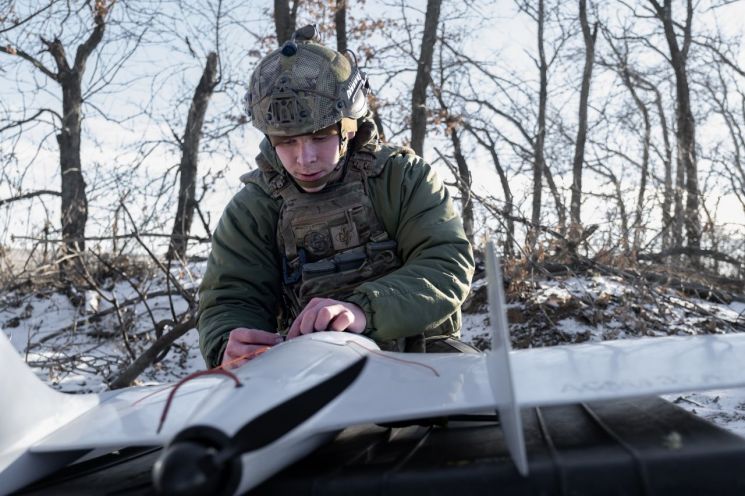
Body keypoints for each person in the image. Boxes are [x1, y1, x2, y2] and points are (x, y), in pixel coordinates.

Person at [197, 25, 474, 368]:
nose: (304, 158)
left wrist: (362, 310)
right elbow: (231, 297)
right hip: (309, 373)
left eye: (319, 137)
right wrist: (229, 342)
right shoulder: (253, 209)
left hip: (423, 362)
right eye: (286, 142)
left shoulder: (404, 179)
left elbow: (445, 265)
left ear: (349, 127)